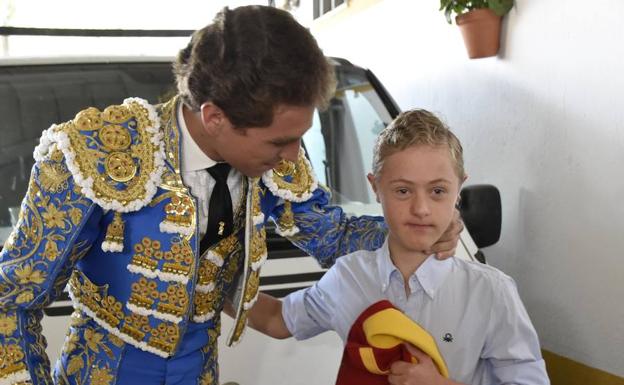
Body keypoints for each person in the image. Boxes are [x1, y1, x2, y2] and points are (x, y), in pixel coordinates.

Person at [0, 6, 462, 385]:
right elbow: (12, 300)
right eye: (278, 142)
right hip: (102, 373)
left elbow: (333, 236)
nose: (292, 157)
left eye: (299, 138)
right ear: (214, 117)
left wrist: (418, 228)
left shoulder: (276, 156)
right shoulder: (94, 152)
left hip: (200, 372)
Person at [245, 109, 550, 385]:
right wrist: (210, 282)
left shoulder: (490, 291)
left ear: (459, 188)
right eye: (403, 190)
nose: (421, 208)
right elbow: (278, 319)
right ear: (375, 186)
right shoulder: (349, 277)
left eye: (438, 191)